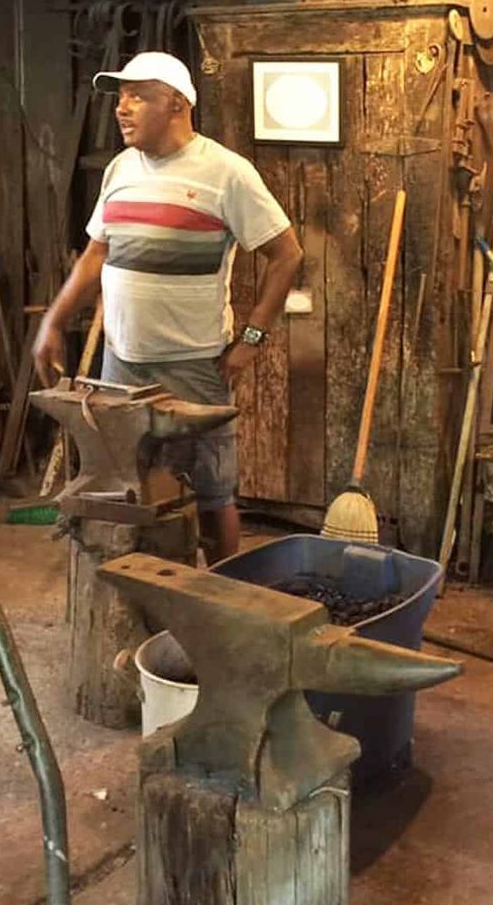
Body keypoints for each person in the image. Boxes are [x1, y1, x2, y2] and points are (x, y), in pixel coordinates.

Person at [33, 50, 303, 564]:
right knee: (130, 483)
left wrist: (252, 339)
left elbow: (286, 254)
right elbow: (96, 254)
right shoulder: (120, 169)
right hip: (122, 364)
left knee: (211, 491)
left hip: (193, 365)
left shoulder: (227, 173)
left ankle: (220, 598)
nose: (122, 107)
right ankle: (148, 585)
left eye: (139, 95)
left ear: (177, 103)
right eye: (121, 96)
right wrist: (53, 321)